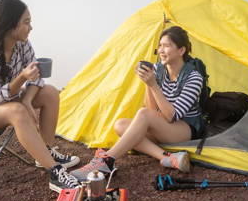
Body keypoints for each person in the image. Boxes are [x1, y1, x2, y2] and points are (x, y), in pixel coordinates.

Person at [0, 0, 81, 192]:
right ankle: (55, 173)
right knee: (16, 111)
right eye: (26, 22)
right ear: (9, 25)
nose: (31, 27)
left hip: (5, 98)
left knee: (50, 92)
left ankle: (45, 152)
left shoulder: (23, 44)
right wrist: (22, 77)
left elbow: (38, 78)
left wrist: (28, 100)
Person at [70, 26, 204, 181]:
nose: (161, 50)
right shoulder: (159, 69)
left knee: (143, 115)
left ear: (181, 51)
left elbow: (171, 116)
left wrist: (153, 85)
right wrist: (148, 83)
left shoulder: (194, 77)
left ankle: (106, 161)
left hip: (186, 127)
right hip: (165, 125)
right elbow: (153, 109)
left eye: (166, 46)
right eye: (160, 45)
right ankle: (168, 158)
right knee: (120, 125)